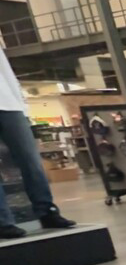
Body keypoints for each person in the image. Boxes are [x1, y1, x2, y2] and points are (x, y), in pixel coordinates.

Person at [0, 46, 75, 238]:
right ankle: (3, 222)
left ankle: (47, 211)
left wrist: (23, 107)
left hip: (9, 105)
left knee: (31, 160)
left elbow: (6, 72)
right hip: (11, 106)